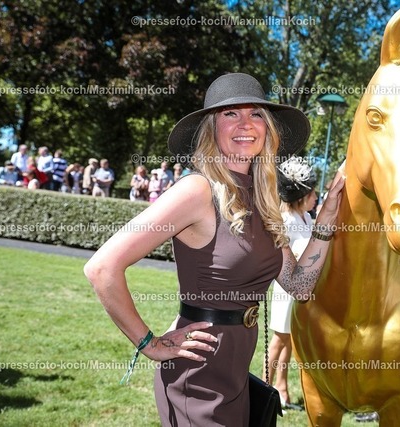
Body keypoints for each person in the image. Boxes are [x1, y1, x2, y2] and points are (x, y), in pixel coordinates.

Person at [83, 72, 344, 426]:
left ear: (267, 129)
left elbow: (299, 285)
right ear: (211, 128)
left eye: (255, 114)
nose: (245, 124)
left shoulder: (263, 199)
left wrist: (326, 217)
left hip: (236, 374)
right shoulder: (197, 190)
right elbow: (102, 268)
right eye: (230, 114)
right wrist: (151, 344)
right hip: (197, 374)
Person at [265, 156, 317, 410]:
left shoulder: (306, 218)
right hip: (286, 290)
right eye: (312, 193)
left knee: (289, 339)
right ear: (301, 196)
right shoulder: (286, 221)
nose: (316, 198)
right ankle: (264, 387)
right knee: (279, 339)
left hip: (301, 290)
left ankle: (282, 389)